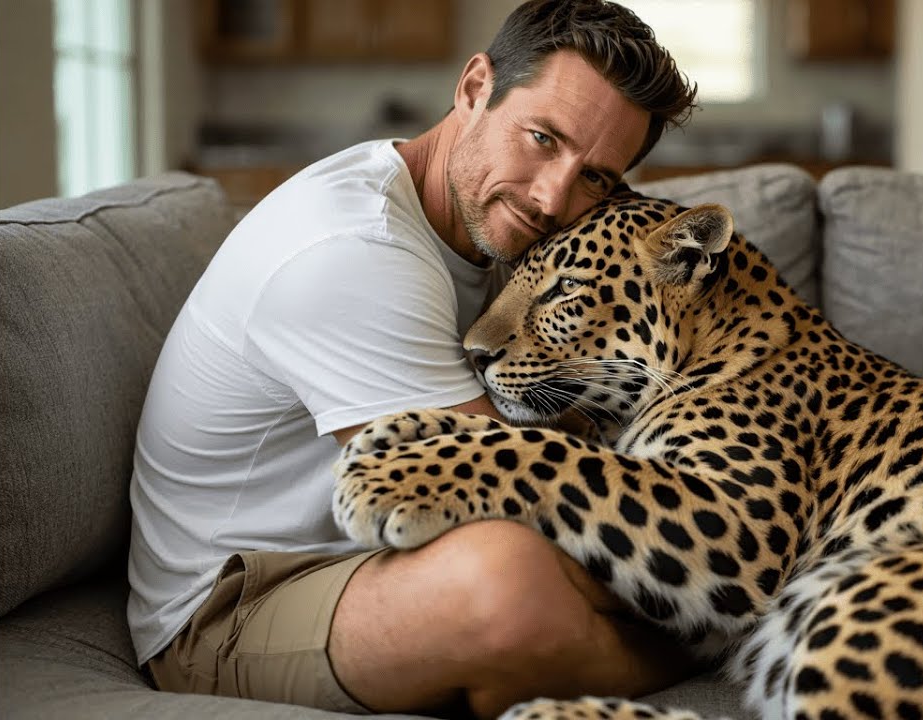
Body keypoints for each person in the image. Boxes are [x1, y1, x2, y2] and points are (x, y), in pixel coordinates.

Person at [126, 2, 699, 717]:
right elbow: (501, 500)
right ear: (473, 88)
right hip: (230, 606)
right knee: (507, 580)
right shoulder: (354, 249)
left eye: (595, 178)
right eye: (543, 138)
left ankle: (581, 649)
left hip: (367, 554)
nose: (553, 196)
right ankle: (699, 641)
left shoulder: (508, 232)